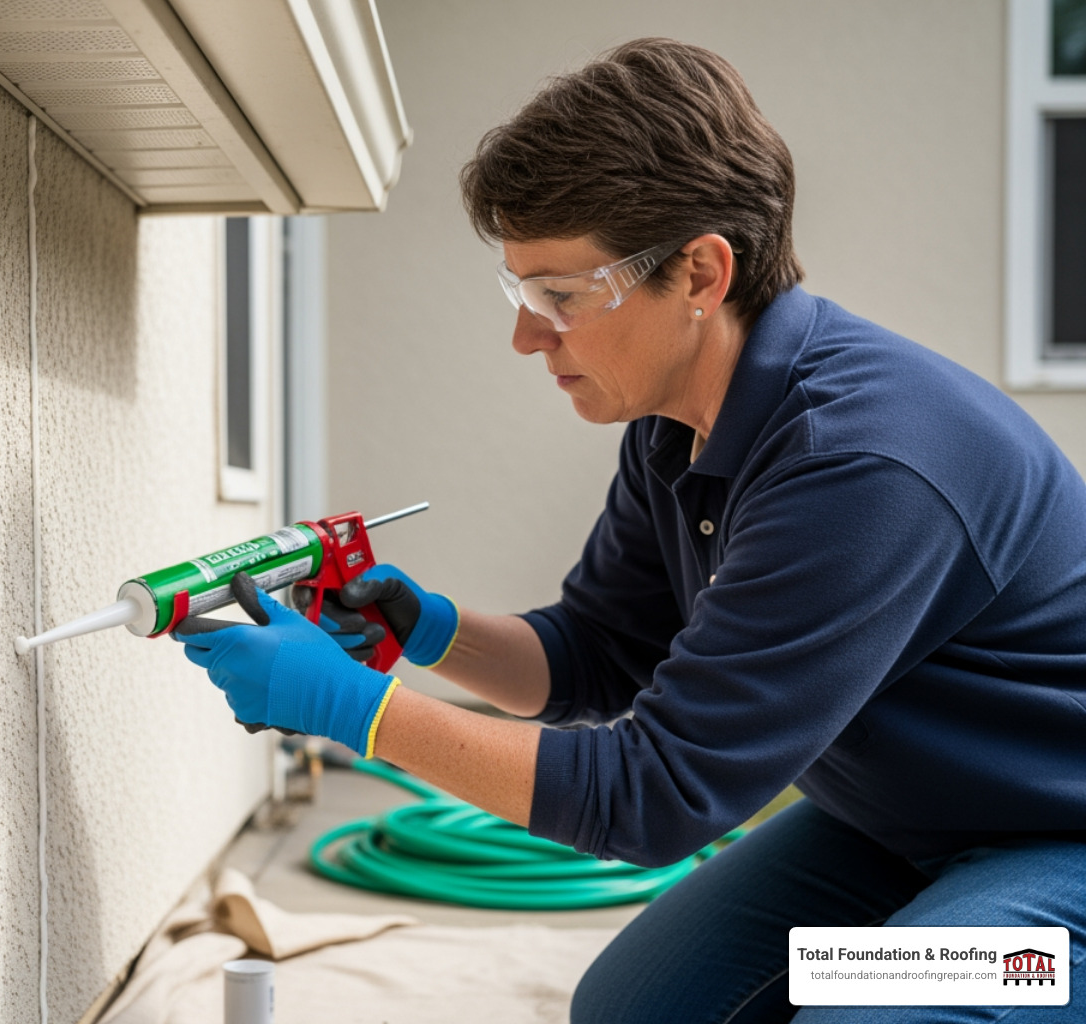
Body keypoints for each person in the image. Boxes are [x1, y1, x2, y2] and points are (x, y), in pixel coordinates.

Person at [174, 38, 1086, 1023]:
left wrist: (357, 709)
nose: (527, 334)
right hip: (900, 825)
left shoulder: (863, 463)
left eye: (559, 296)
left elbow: (655, 795)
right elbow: (598, 654)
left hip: (1061, 843)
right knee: (635, 1008)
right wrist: (425, 628)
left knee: (877, 1011)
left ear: (699, 272)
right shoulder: (676, 425)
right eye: (522, 291)